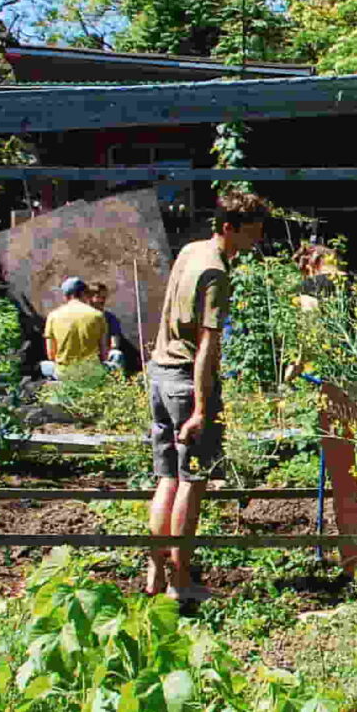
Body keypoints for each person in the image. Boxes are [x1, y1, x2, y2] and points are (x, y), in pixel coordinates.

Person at [147, 192, 271, 607]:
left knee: (166, 477)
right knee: (192, 482)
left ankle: (156, 573)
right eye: (253, 230)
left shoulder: (190, 251)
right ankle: (180, 582)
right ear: (230, 227)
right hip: (186, 380)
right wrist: (201, 409)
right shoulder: (216, 272)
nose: (259, 237)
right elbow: (207, 347)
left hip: (159, 373)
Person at [44, 275, 105, 377]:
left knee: (44, 365)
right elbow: (104, 354)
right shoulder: (97, 315)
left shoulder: (53, 316)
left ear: (65, 296)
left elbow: (51, 355)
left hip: (64, 373)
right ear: (83, 294)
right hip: (91, 371)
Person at [85, 280, 138, 376]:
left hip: (104, 355)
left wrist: (103, 352)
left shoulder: (110, 318)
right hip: (84, 356)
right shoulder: (81, 317)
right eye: (98, 297)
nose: (102, 301)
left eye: (104, 298)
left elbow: (115, 343)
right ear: (89, 298)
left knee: (117, 355)